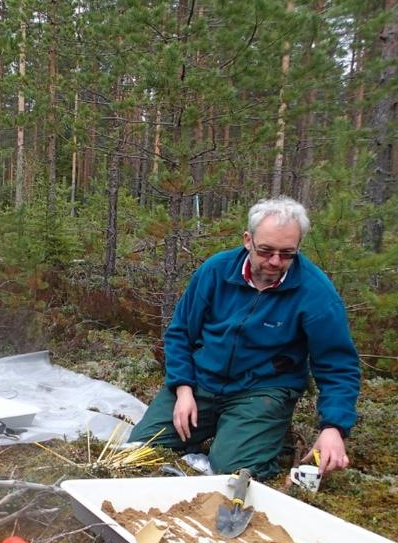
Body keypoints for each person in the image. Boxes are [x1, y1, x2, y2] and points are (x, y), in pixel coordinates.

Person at [129, 197, 360, 479]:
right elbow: (179, 333)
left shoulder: (316, 292)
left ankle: (257, 437)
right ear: (248, 240)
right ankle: (218, 431)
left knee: (232, 471)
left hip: (261, 391)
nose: (275, 261)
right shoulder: (216, 271)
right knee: (139, 448)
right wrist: (183, 389)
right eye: (266, 251)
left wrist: (334, 427)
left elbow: (338, 365)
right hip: (202, 382)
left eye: (287, 253)